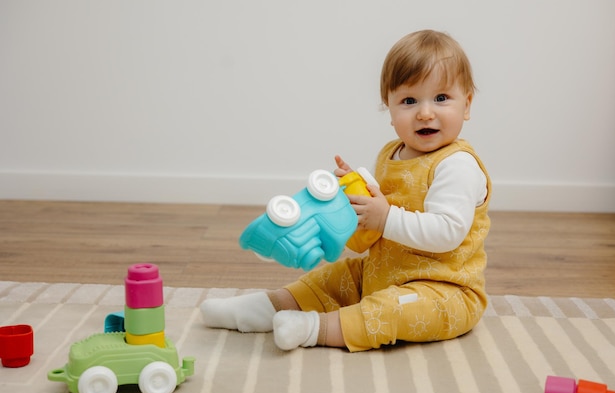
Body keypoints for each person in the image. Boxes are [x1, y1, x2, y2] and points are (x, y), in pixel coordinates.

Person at [201, 29, 491, 352]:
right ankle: (265, 308)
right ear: (390, 109)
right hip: (385, 271)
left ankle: (314, 329)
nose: (425, 112)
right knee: (334, 278)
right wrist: (357, 195)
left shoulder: (457, 165)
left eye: (441, 98)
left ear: (466, 104)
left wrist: (385, 218)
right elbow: (380, 217)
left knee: (390, 310)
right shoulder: (392, 154)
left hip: (444, 290)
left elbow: (448, 231)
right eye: (409, 101)